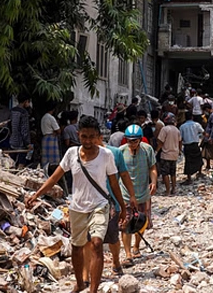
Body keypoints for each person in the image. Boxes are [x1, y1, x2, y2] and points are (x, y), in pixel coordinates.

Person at [25, 116, 126, 293]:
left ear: (98, 136)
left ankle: (93, 290)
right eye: (84, 136)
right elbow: (54, 177)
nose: (88, 141)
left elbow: (114, 182)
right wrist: (36, 194)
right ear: (78, 135)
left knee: (96, 244)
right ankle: (80, 283)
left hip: (100, 205)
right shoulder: (71, 153)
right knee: (77, 248)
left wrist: (123, 207)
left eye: (92, 137)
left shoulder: (106, 155)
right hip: (77, 208)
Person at [81, 139, 138, 281]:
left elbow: (124, 175)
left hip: (111, 203)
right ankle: (87, 274)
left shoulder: (114, 153)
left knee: (112, 237)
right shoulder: (80, 153)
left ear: (99, 137)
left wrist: (131, 196)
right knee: (89, 241)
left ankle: (116, 262)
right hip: (88, 204)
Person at [118, 124, 157, 266]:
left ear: (140, 140)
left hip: (143, 193)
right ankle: (128, 254)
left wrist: (153, 182)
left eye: (135, 141)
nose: (132, 144)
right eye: (129, 141)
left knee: (141, 221)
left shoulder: (147, 150)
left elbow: (152, 167)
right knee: (126, 223)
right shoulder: (120, 152)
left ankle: (137, 246)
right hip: (125, 194)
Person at [156, 112, 181, 196]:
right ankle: (173, 189)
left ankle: (167, 191)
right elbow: (180, 141)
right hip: (174, 155)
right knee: (173, 173)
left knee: (165, 173)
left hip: (166, 155)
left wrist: (156, 151)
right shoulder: (177, 130)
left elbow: (161, 142)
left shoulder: (164, 129)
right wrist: (179, 150)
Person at [9, 93, 33, 167]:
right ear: (25, 101)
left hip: (12, 141)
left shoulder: (12, 110)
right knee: (21, 162)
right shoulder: (24, 113)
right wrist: (27, 143)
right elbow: (24, 130)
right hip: (21, 143)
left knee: (11, 162)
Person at [179, 115, 204, 185]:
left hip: (187, 146)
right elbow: (203, 132)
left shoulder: (182, 126)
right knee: (198, 158)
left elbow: (180, 139)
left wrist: (179, 148)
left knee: (188, 161)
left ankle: (189, 178)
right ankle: (199, 172)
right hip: (195, 144)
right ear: (192, 117)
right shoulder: (196, 124)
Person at [41, 103, 62, 171]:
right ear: (53, 110)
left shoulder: (43, 117)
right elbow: (58, 130)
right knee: (53, 160)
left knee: (45, 158)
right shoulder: (51, 118)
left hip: (45, 138)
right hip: (51, 139)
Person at [202, 103, 213, 171]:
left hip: (212, 137)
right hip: (209, 136)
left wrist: (211, 137)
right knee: (208, 151)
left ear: (207, 109)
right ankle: (208, 165)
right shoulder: (212, 115)